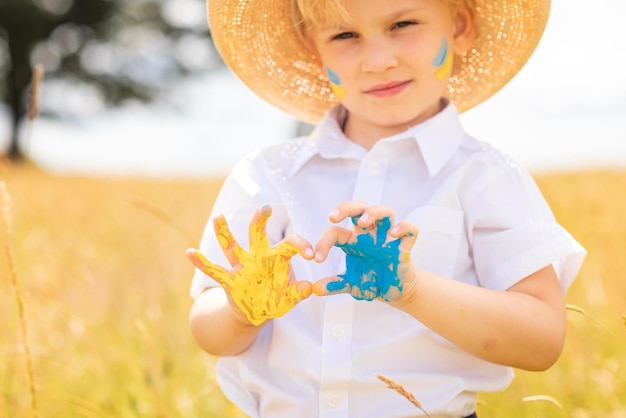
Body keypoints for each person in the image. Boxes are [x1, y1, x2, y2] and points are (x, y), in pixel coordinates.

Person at [186, 0, 587, 416]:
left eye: (403, 24)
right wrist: (239, 312)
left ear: (460, 26)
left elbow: (542, 340)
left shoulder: (485, 176)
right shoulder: (268, 174)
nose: (377, 60)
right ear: (314, 48)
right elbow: (207, 329)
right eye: (345, 35)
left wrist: (412, 290)